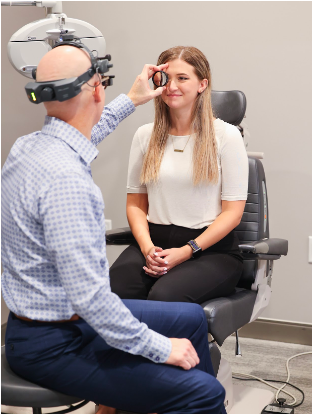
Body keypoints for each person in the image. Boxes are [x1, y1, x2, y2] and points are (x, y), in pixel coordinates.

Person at [1, 44, 227, 414]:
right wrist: (162, 348)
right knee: (204, 391)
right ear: (96, 89)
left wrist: (130, 100)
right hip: (56, 343)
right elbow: (92, 302)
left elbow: (81, 135)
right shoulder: (68, 183)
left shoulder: (28, 148)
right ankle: (191, 398)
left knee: (188, 319)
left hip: (48, 323)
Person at [109, 46, 249, 305]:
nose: (172, 86)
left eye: (182, 78)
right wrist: (148, 248)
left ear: (202, 84)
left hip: (209, 251)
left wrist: (187, 251)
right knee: (111, 292)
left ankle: (178, 347)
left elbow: (233, 213)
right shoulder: (144, 135)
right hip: (154, 245)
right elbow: (136, 204)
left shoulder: (227, 136)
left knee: (165, 297)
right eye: (165, 78)